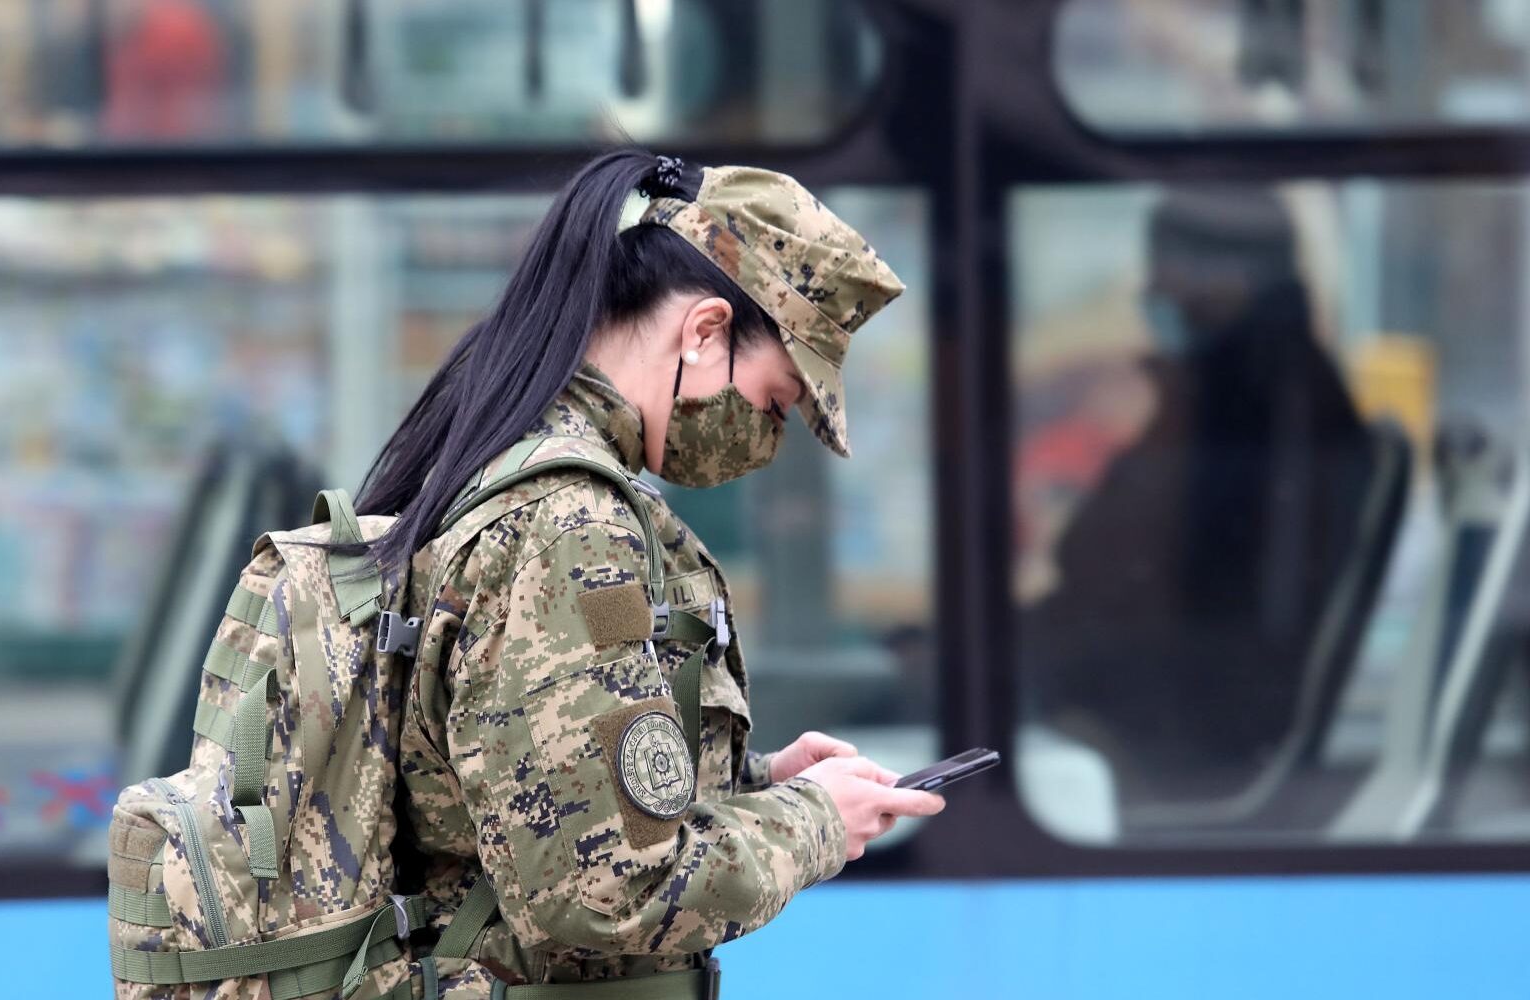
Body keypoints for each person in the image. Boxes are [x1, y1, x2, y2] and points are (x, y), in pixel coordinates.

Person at [349, 150, 944, 994]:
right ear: (703, 332)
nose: (768, 440)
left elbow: (519, 785)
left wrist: (753, 782)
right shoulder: (571, 528)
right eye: (775, 402)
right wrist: (813, 822)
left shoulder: (515, 465)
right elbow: (600, 890)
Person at [1023, 187, 1377, 806]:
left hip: (1179, 736)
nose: (1152, 291)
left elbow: (1129, 581)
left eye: (1168, 269)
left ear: (1229, 278)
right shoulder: (1237, 389)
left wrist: (1011, 662)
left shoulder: (1256, 414)